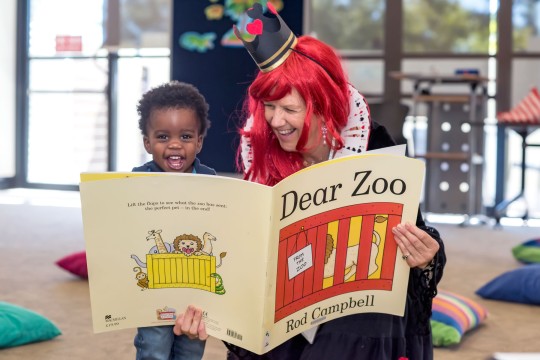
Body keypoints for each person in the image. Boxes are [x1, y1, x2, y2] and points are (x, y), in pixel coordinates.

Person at [174, 3, 446, 359]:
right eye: (268, 107)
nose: (275, 120)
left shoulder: (373, 144)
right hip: (284, 302)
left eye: (290, 109)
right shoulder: (263, 149)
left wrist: (425, 258)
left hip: (352, 308)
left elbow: (418, 235)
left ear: (323, 106)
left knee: (365, 316)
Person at [133, 80, 214, 360]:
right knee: (153, 348)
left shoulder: (212, 183)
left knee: (192, 348)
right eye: (163, 137)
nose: (175, 145)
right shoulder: (134, 182)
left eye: (186, 137)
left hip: (195, 290)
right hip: (155, 288)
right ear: (148, 142)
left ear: (199, 141)